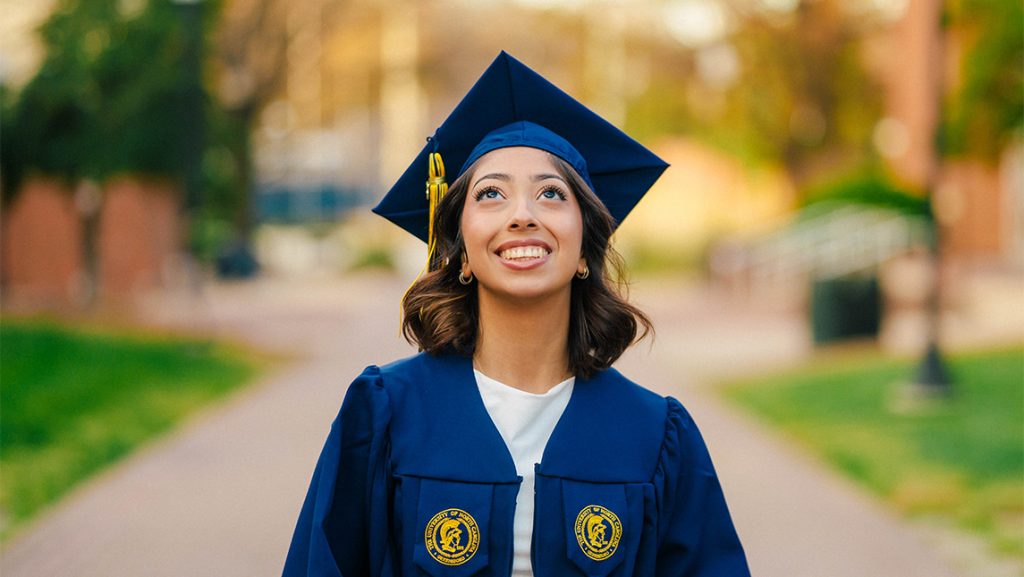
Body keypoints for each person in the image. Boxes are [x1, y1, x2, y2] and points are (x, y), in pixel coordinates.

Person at [282, 51, 750, 577]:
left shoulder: (654, 434)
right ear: (458, 248)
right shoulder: (387, 414)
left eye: (551, 193)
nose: (522, 215)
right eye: (491, 194)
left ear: (584, 247)